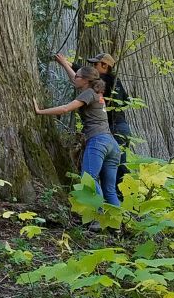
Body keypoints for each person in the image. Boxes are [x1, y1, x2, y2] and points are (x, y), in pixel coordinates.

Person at [33, 64, 120, 207]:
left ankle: (97, 219)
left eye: (77, 76)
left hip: (98, 142)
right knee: (110, 190)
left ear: (85, 80)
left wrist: (39, 111)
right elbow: (75, 79)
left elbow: (65, 109)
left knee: (89, 179)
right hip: (112, 144)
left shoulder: (89, 93)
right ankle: (116, 225)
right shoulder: (96, 92)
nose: (74, 78)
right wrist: (64, 64)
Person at [58, 51, 132, 191]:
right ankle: (117, 198)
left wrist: (65, 63)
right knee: (116, 165)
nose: (92, 66)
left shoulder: (102, 81)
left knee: (111, 168)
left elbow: (79, 78)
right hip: (121, 127)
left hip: (112, 129)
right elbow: (126, 101)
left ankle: (115, 198)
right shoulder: (114, 81)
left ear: (104, 65)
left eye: (95, 64)